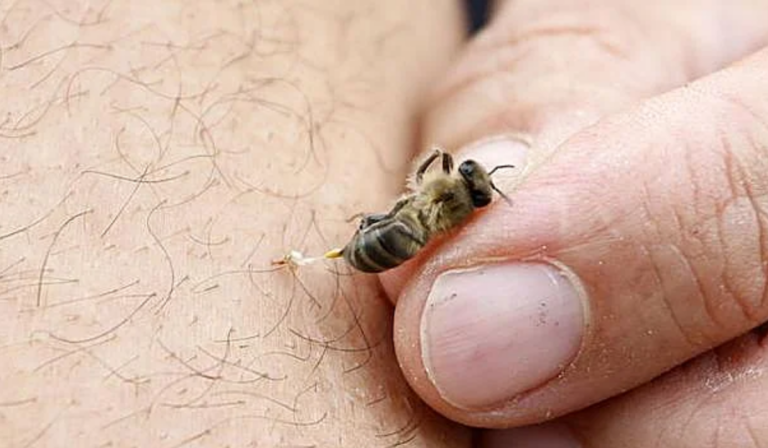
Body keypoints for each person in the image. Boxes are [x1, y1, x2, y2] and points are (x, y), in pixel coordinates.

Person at [2, 0, 768, 446]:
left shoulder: (461, 208)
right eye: (477, 169)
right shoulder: (451, 197)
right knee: (390, 229)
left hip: (398, 244)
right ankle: (322, 255)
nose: (474, 173)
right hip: (395, 241)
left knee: (392, 231)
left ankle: (324, 254)